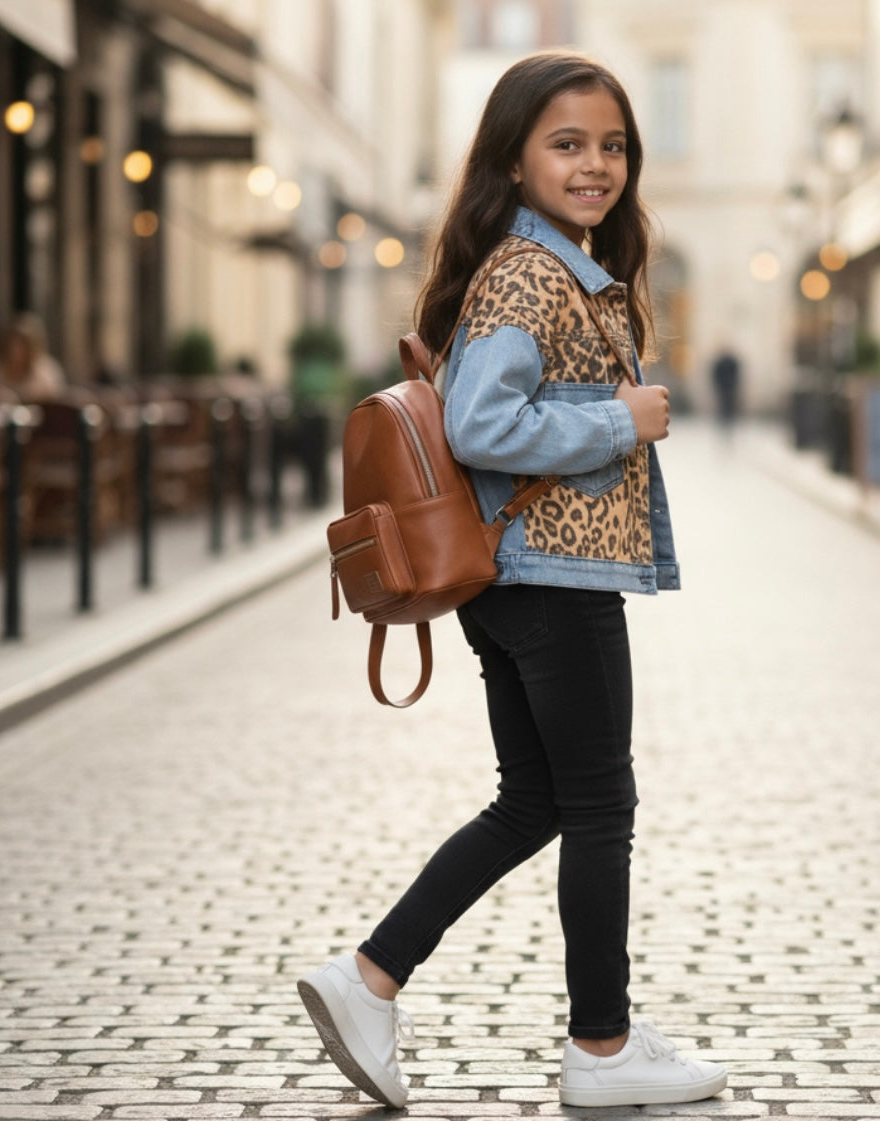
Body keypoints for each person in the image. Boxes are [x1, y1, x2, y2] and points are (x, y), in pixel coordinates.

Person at [297, 52, 727, 1110]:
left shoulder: (559, 266)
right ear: (515, 158)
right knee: (598, 805)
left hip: (527, 574)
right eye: (566, 144)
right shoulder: (528, 274)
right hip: (550, 577)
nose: (594, 165)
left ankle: (368, 977)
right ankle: (603, 1043)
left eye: (612, 145)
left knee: (535, 798)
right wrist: (618, 419)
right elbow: (484, 423)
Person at [0, 313, 66, 402]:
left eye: (22, 345)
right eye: (12, 346)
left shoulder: (45, 373)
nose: (16, 351)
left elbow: (57, 403)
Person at [711, 346, 742, 432]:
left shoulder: (727, 362)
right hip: (725, 387)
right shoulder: (724, 363)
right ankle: (725, 421)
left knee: (728, 405)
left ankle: (728, 421)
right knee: (725, 405)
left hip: (727, 387)